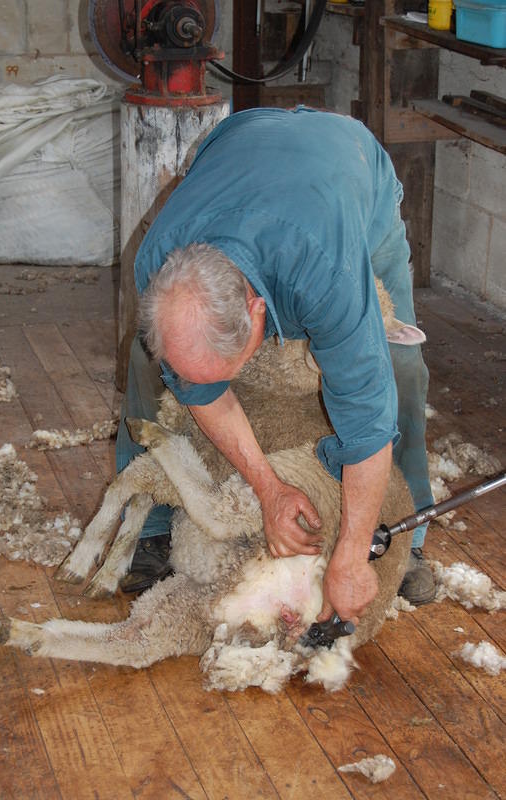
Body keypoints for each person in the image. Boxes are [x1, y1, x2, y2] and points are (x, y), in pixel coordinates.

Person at [116, 106, 436, 620]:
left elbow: (366, 423)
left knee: (398, 370)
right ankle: (153, 526)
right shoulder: (157, 263)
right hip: (244, 146)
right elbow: (196, 387)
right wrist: (268, 489)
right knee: (144, 360)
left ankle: (407, 538)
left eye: (224, 373)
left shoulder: (325, 273)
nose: (212, 387)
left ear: (257, 310)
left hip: (347, 172)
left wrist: (351, 560)